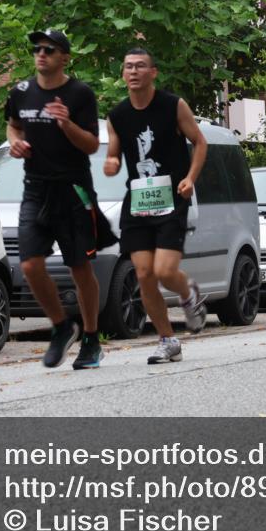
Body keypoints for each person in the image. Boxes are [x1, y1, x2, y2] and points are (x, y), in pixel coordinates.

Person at [6, 29, 115, 370]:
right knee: (29, 265)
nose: (41, 54)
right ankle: (61, 326)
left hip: (73, 189)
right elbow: (13, 125)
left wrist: (66, 124)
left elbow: (90, 145)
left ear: (64, 57)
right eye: (37, 49)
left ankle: (91, 339)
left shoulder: (79, 94)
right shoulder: (21, 92)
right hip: (35, 189)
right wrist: (15, 142)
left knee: (79, 267)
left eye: (49, 50)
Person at [103, 48, 208, 363]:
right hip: (138, 201)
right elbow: (113, 153)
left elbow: (200, 142)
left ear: (153, 72)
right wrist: (111, 163)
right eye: (128, 67)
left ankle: (188, 294)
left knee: (164, 271)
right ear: (123, 74)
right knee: (144, 274)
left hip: (172, 198)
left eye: (140, 66)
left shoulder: (173, 106)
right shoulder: (117, 116)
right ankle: (167, 340)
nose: (133, 71)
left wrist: (190, 178)